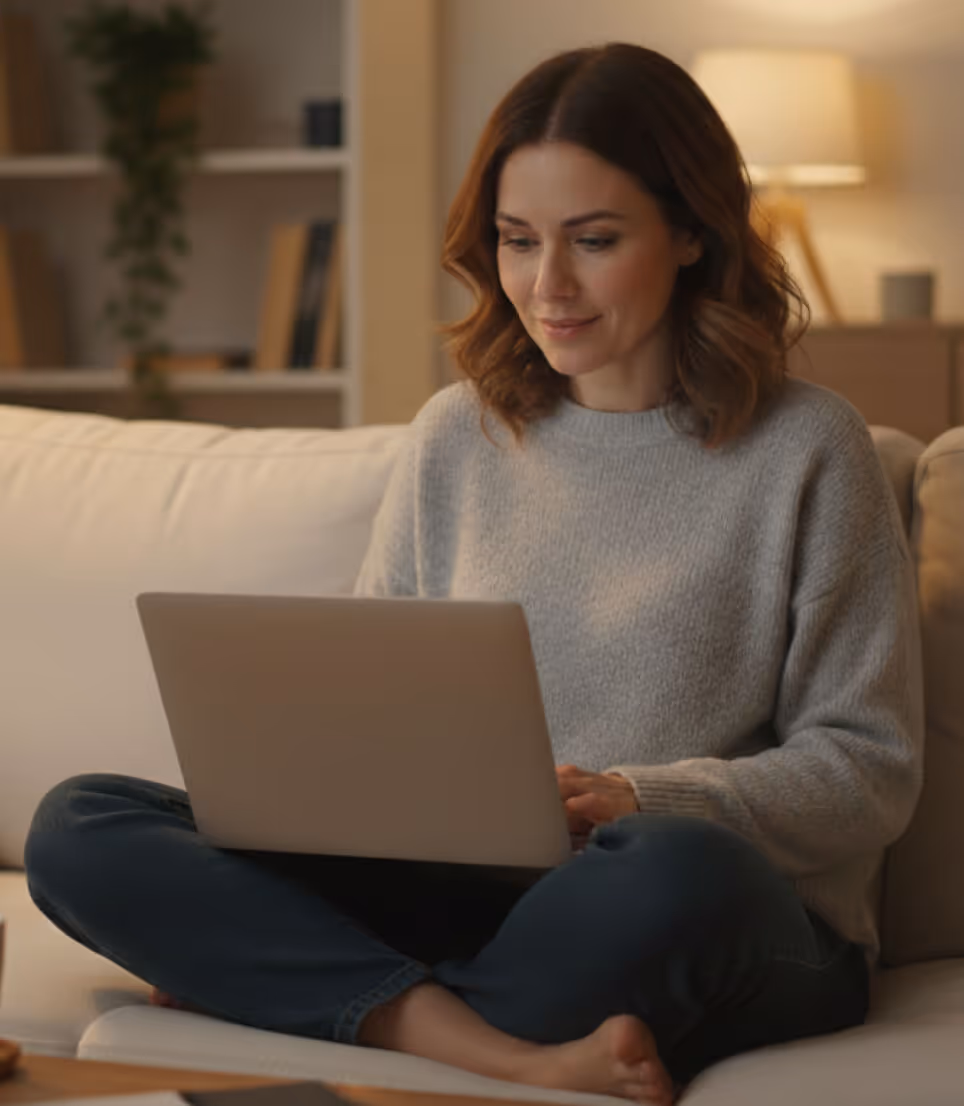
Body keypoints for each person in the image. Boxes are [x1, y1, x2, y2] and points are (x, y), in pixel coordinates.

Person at [23, 43, 923, 1106]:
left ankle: (319, 995)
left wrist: (643, 792)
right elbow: (365, 705)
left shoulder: (813, 450)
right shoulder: (457, 436)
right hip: (466, 895)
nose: (547, 285)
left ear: (691, 232)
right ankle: (495, 1045)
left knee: (676, 864)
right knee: (81, 824)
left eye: (593, 240)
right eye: (516, 240)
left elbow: (869, 770)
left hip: (708, 913)